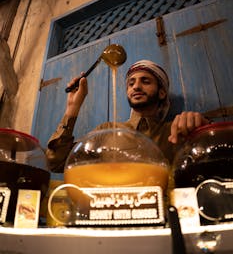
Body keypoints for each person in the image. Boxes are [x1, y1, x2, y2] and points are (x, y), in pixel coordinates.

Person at [46, 60, 209, 172]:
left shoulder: (175, 131)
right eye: (131, 83)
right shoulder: (107, 131)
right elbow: (57, 162)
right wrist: (72, 108)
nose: (136, 86)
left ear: (161, 92)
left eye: (145, 81)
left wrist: (202, 129)